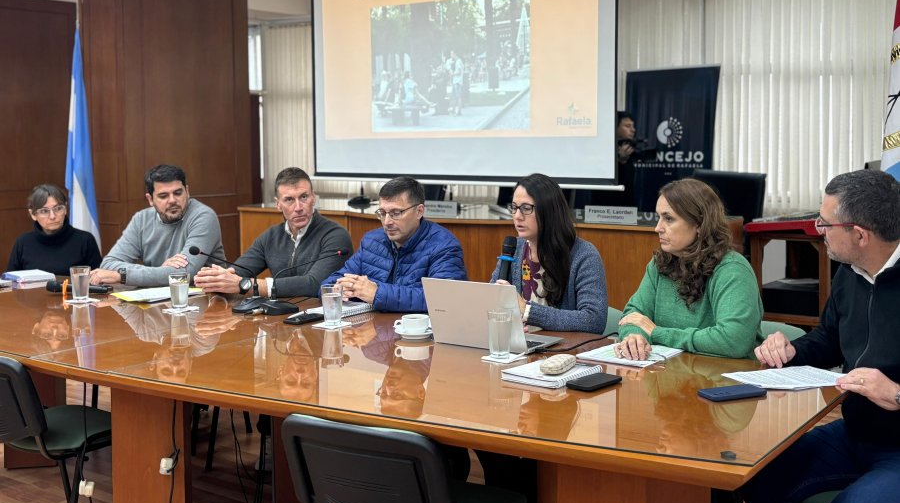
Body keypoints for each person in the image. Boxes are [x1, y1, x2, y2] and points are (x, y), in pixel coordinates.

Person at [741, 170, 900, 503]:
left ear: (859, 234)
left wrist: (896, 394)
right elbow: (828, 340)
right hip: (855, 432)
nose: (817, 230)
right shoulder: (851, 271)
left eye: (824, 224)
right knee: (754, 476)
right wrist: (790, 350)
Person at [616, 177, 763, 361]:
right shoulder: (659, 264)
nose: (657, 228)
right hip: (671, 376)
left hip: (725, 382)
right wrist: (634, 337)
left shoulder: (733, 270)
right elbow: (634, 315)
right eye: (658, 217)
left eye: (668, 219)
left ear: (699, 224)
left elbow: (733, 340)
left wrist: (657, 333)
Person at [194, 168, 351, 298]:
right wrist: (217, 278)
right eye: (289, 200)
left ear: (313, 198)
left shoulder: (335, 236)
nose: (298, 207)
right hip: (280, 322)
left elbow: (314, 284)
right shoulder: (271, 236)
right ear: (278, 204)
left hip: (319, 320)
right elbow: (240, 270)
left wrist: (247, 285)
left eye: (304, 197)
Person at [322, 176, 467, 312]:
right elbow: (329, 283)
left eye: (396, 213)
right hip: (373, 330)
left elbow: (443, 299)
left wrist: (377, 293)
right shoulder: (372, 241)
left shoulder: (444, 246)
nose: (387, 222)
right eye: (382, 213)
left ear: (419, 211)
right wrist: (338, 288)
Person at [490, 173, 607, 333]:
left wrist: (528, 311)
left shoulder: (584, 255)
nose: (517, 216)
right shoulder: (514, 249)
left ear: (549, 211)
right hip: (521, 349)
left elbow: (594, 320)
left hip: (564, 353)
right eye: (514, 207)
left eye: (526, 208)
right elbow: (491, 304)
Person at [90, 164, 225, 287]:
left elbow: (184, 274)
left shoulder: (203, 216)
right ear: (150, 199)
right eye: (163, 196)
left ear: (187, 192)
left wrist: (123, 276)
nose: (172, 200)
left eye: (178, 193)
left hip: (205, 302)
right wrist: (161, 271)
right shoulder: (141, 219)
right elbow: (108, 264)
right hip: (158, 302)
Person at [6, 183, 101, 275]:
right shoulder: (23, 243)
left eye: (58, 209)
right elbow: (10, 283)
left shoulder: (85, 240)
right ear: (33, 214)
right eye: (44, 211)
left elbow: (98, 281)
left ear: (65, 209)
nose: (52, 216)